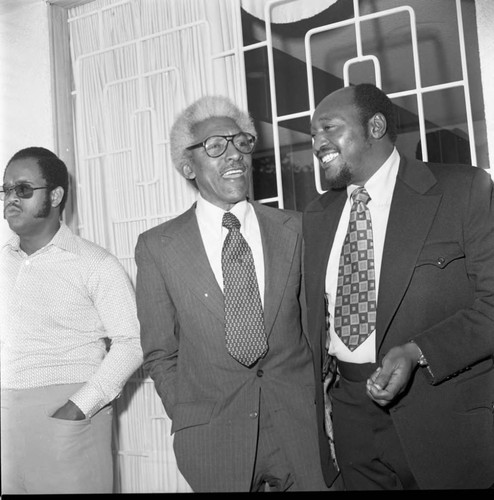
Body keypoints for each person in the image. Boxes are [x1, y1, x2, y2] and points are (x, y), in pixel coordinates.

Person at [134, 95, 338, 492]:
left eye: (241, 142)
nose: (235, 156)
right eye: (216, 146)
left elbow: (315, 330)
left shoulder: (295, 229)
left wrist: (323, 407)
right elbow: (160, 352)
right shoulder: (158, 246)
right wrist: (188, 414)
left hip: (301, 431)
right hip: (214, 440)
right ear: (187, 165)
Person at [303, 83, 494, 490]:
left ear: (374, 126)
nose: (317, 143)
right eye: (313, 135)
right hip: (350, 418)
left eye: (328, 128)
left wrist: (418, 351)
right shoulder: (316, 216)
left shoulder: (463, 191)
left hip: (442, 417)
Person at [0, 147, 143, 494]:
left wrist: (80, 407)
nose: (10, 199)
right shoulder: (3, 262)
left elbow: (133, 342)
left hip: (67, 417)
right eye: (5, 190)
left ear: (56, 194)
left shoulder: (96, 264)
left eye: (22, 189)